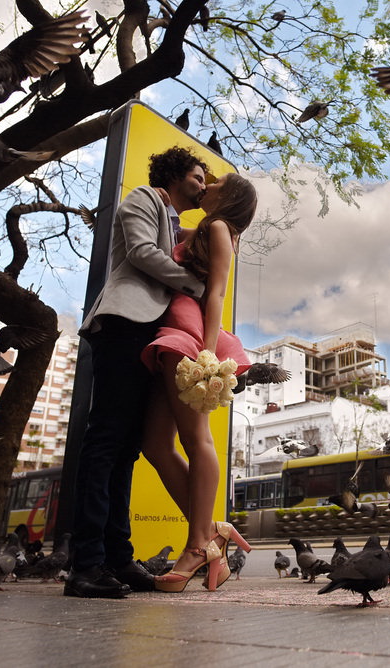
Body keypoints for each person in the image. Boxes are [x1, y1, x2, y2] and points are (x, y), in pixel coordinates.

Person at [65, 147, 211, 599]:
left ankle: (117, 558)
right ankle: (84, 564)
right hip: (125, 323)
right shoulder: (144, 198)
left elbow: (207, 236)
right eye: (198, 176)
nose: (203, 186)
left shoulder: (174, 222)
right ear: (173, 176)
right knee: (106, 441)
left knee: (127, 449)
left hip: (151, 333)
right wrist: (195, 285)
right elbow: (143, 252)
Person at [138, 171, 256, 592]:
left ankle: (196, 544)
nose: (208, 182)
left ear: (232, 195)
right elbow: (163, 228)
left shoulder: (222, 228)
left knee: (195, 438)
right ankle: (211, 532)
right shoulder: (206, 227)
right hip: (172, 330)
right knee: (154, 444)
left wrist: (206, 353)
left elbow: (218, 293)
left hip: (189, 333)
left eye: (218, 181)